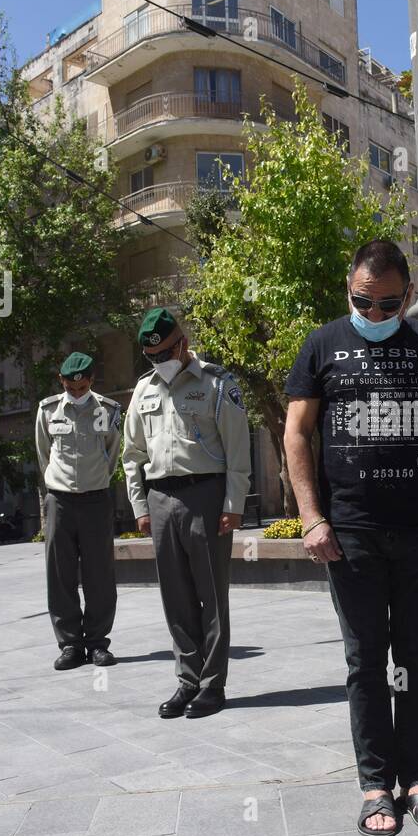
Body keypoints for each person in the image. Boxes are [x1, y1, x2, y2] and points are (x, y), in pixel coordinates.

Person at [284, 239, 418, 836]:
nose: (374, 313)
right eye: (363, 301)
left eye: (388, 305)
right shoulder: (321, 346)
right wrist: (312, 518)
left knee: (415, 659)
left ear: (409, 296)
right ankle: (374, 784)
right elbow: (296, 435)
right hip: (351, 534)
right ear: (349, 288)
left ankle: (415, 779)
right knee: (365, 662)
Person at [122, 308, 251, 720]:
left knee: (211, 594)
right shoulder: (143, 390)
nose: (160, 363)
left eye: (165, 354)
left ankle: (213, 685)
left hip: (206, 495)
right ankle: (187, 680)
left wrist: (233, 505)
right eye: (152, 358)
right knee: (175, 595)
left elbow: (238, 451)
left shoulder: (216, 383)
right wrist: (141, 505)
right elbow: (131, 454)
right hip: (161, 498)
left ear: (182, 343)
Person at [35, 351, 122, 670]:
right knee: (60, 574)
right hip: (59, 499)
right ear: (61, 381)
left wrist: (95, 478)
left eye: (82, 387)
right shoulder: (47, 410)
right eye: (70, 388)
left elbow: (113, 452)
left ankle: (98, 643)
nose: (76, 392)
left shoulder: (108, 409)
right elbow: (44, 453)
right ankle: (70, 644)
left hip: (96, 499)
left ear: (91, 381)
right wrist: (58, 484)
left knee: (99, 573)